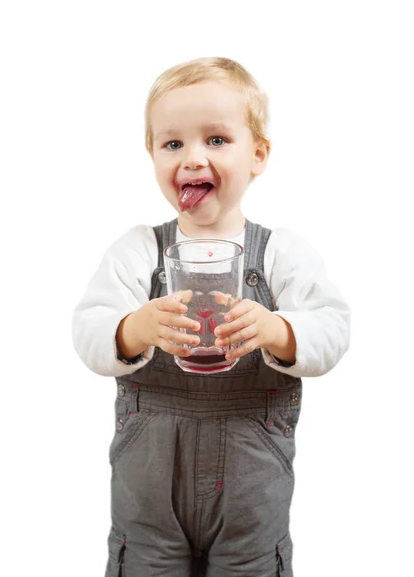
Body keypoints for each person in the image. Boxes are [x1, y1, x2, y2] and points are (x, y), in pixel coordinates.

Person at [72, 56, 351, 577]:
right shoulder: (138, 250)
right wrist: (133, 329)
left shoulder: (280, 252)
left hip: (251, 472)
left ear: (258, 155)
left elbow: (332, 326)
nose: (193, 157)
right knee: (144, 563)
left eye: (217, 141)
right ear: (152, 154)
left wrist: (279, 330)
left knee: (250, 566)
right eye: (172, 143)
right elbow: (89, 326)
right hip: (149, 475)